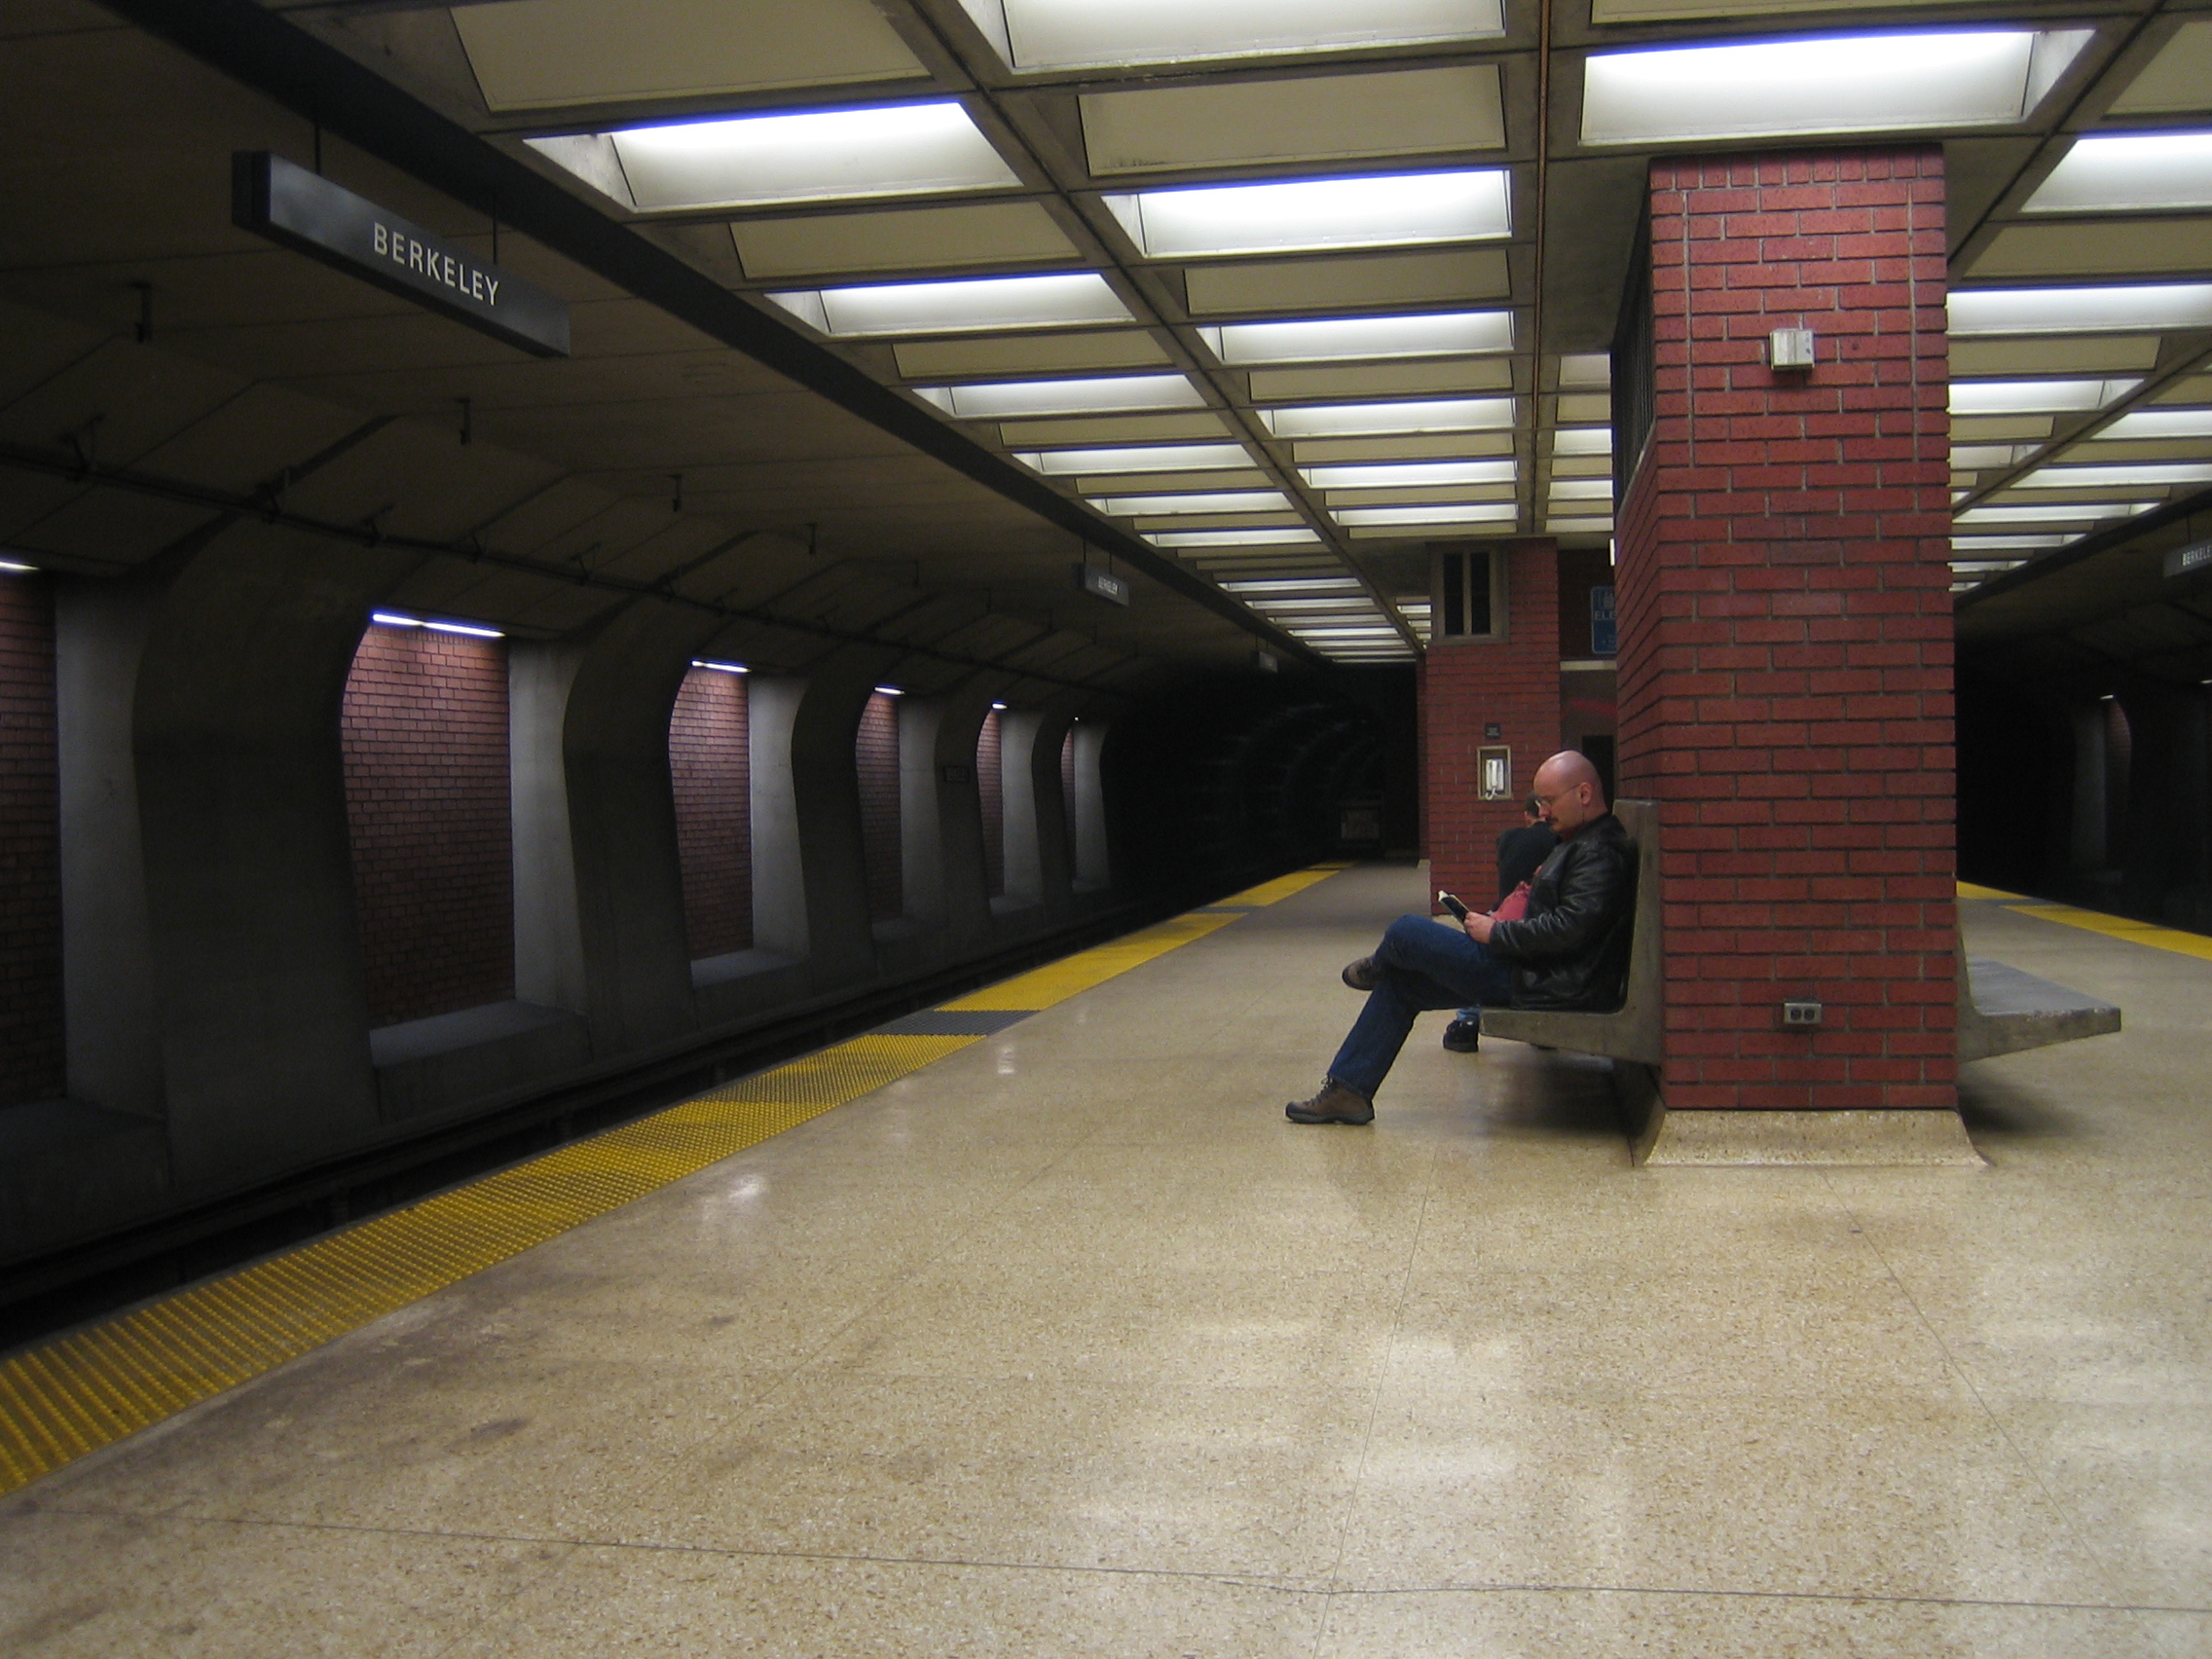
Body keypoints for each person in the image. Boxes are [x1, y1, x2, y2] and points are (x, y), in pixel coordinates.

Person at [1285, 751, 1636, 1125]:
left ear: (1583, 794)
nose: (1543, 812)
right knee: (1402, 985)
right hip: (1537, 971)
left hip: (1545, 982)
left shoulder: (1599, 852)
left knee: (1406, 931)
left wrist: (1496, 932)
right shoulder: (1579, 840)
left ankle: (1377, 965)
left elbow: (1569, 931)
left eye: (1548, 802)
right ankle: (1347, 1092)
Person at [1441, 796, 1557, 1053]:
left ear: (1528, 815)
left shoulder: (1507, 838)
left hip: (1511, 915)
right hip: (1537, 923)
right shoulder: (1562, 843)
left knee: (1477, 944)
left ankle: (1466, 1021)